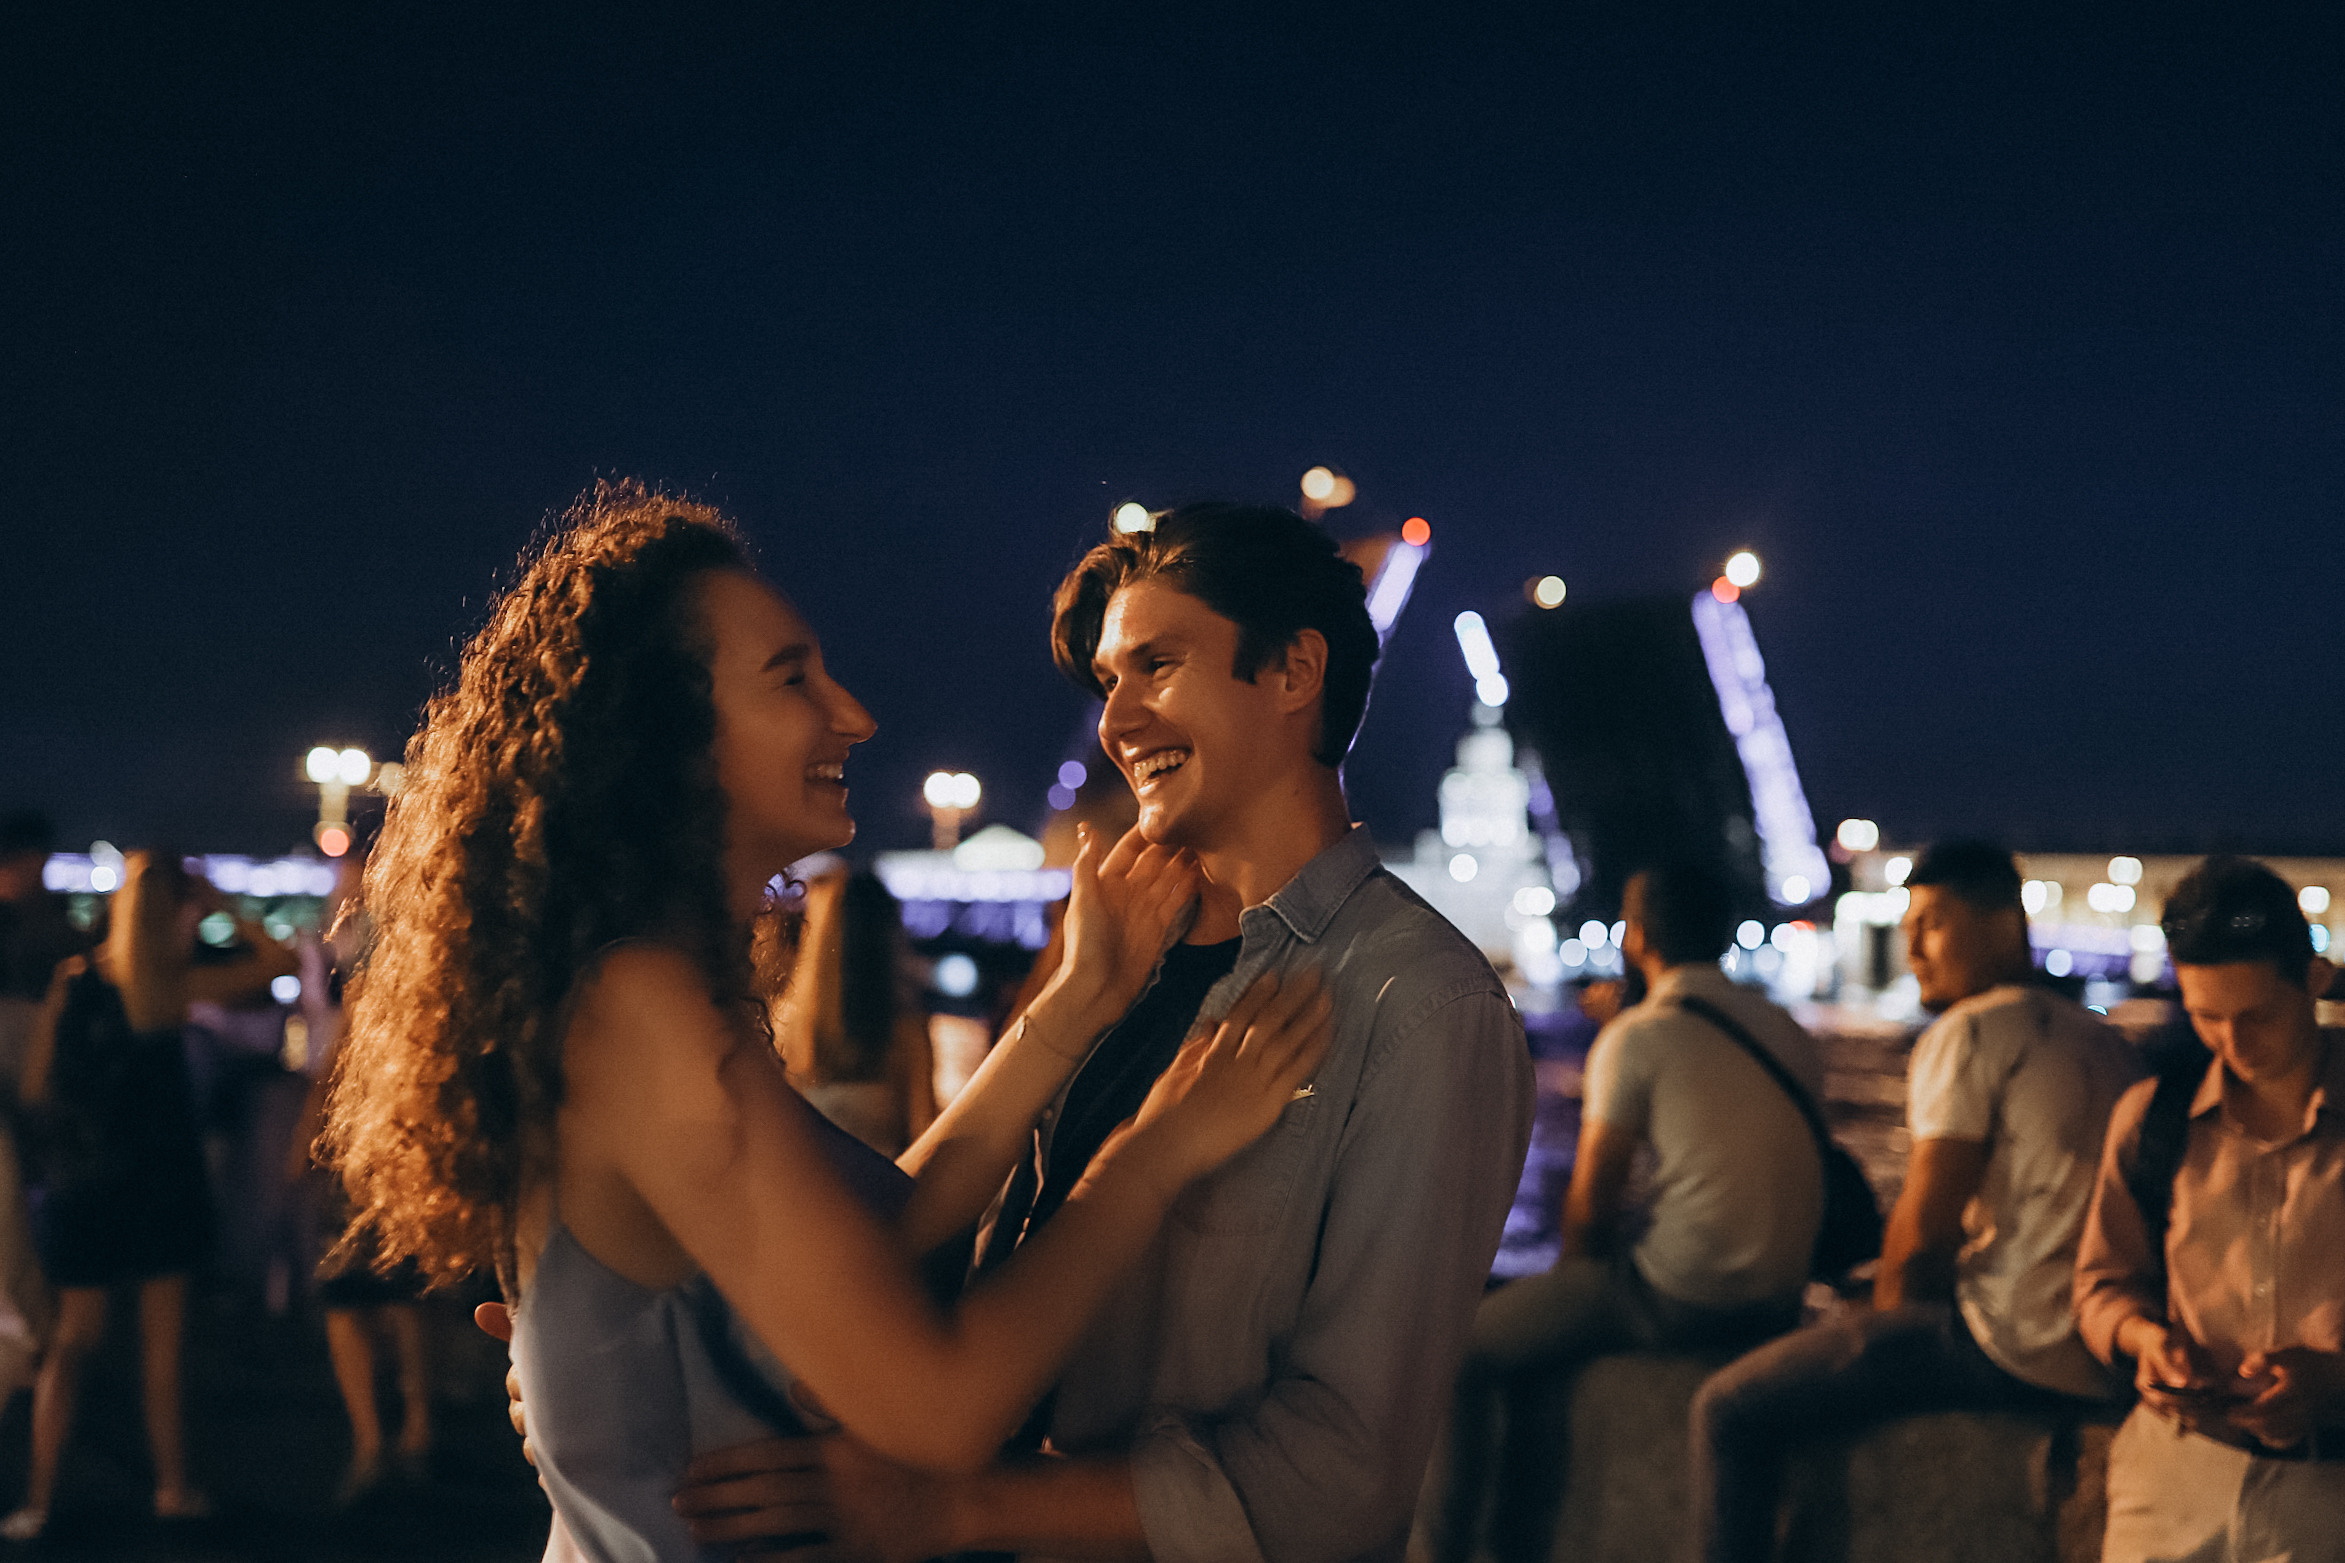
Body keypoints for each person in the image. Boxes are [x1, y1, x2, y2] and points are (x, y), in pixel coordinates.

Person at [321, 481, 1331, 1563]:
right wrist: (1158, 1151)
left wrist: (1077, 1002)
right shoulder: (641, 1011)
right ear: (663, 735)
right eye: (790, 676)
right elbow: (939, 1411)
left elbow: (878, 1241)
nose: (852, 714)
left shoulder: (645, 995)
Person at [675, 501, 1536, 1563]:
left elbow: (1341, 1475)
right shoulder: (1113, 963)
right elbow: (907, 1256)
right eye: (1108, 683)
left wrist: (967, 1508)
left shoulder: (1420, 1007)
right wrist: (638, 1345)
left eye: (1157, 666)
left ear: (1292, 673)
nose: (1117, 723)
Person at [1687, 839, 2141, 1562]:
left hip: (2011, 1348)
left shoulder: (1970, 1030)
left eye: (1931, 922)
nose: (1912, 947)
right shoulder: (2104, 1040)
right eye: (1907, 927)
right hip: (2098, 1352)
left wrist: (1873, 1336)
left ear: (2000, 925)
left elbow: (1920, 1235)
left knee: (1727, 1408)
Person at [1425, 858, 1823, 1563]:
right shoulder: (1783, 1028)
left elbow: (1589, 1205)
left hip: (1681, 1297)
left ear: (1635, 936)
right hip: (1780, 1300)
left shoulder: (1635, 1038)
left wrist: (1576, 1292)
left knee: (1458, 1352)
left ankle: (1445, 1551)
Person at [6, 850, 293, 1540]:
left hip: (88, 1184)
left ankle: (38, 1501)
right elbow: (280, 961)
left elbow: (40, 1083)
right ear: (176, 909)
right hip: (164, 1180)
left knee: (72, 1341)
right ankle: (173, 1487)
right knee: (164, 1350)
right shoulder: (176, 987)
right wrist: (221, 898)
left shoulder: (74, 981)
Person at [2076, 856, 2345, 1563]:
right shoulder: (2151, 1120)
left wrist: (2331, 1377)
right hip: (2169, 1481)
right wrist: (2143, 1341)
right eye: (2204, 1016)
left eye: (2255, 1015)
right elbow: (2100, 1284)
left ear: (2314, 981)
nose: (2231, 1043)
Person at [774, 869, 937, 1157]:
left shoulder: (788, 1023)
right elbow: (926, 1134)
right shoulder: (905, 1028)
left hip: (810, 1191)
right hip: (884, 1194)